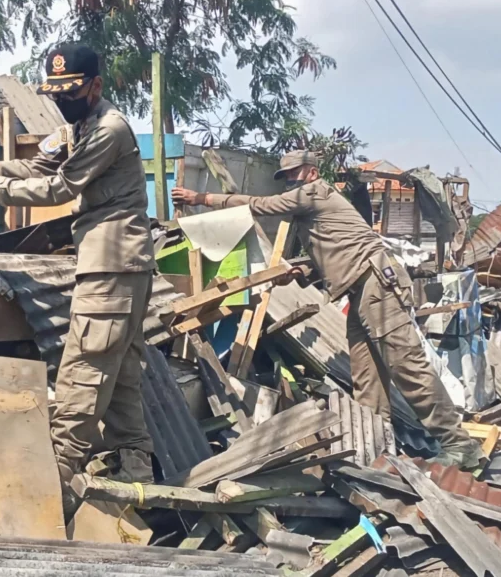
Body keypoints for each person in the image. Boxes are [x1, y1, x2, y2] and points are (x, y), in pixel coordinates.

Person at [170, 151, 483, 469]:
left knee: (407, 367)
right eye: (287, 176)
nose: (290, 181)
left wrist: (202, 197)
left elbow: (261, 206)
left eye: (294, 173)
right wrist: (306, 272)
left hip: (377, 284)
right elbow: (337, 250)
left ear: (311, 172)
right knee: (367, 377)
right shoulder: (314, 211)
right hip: (362, 289)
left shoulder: (316, 192)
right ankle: (374, 450)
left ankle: (459, 444)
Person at [0, 43, 157, 513]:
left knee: (83, 369)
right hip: (112, 263)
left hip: (112, 262)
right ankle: (138, 480)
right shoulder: (77, 127)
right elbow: (38, 165)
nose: (62, 99)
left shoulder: (109, 128)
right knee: (121, 372)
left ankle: (52, 483)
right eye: (56, 92)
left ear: (95, 86)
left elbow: (59, 186)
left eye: (71, 90)